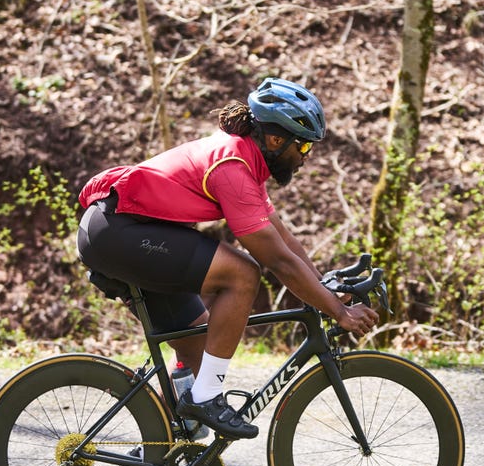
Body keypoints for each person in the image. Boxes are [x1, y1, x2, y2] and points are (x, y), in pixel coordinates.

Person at [76, 77, 378, 439]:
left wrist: (324, 284)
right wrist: (338, 312)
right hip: (117, 232)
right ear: (276, 139)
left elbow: (283, 240)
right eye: (303, 148)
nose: (304, 159)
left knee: (197, 345)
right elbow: (276, 262)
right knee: (242, 274)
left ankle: (162, 448)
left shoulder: (246, 164)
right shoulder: (232, 168)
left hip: (128, 232)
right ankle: (206, 399)